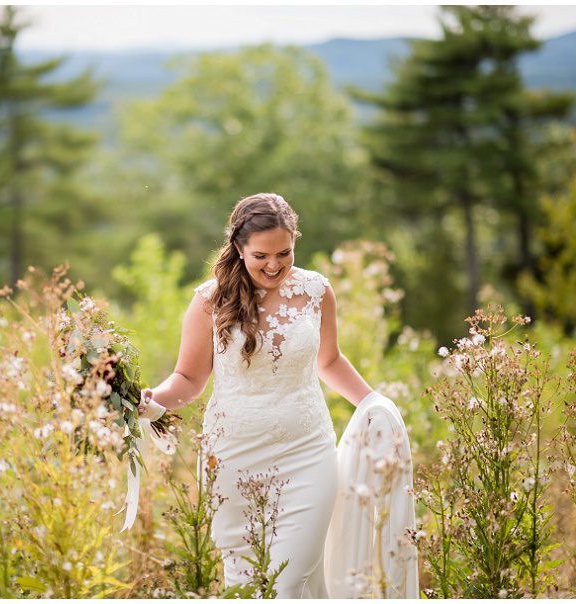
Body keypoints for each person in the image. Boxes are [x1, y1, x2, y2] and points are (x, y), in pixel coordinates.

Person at [140, 193, 418, 598]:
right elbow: (189, 377)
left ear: (295, 243)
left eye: (284, 253)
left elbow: (330, 360)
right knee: (246, 582)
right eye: (261, 256)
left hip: (307, 454)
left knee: (289, 581)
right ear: (238, 248)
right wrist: (154, 401)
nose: (274, 265)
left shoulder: (315, 291)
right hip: (233, 458)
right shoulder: (208, 301)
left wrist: (374, 401)